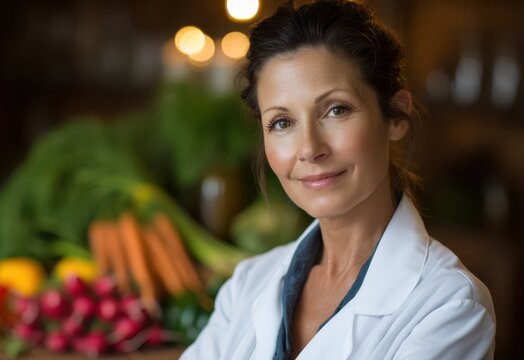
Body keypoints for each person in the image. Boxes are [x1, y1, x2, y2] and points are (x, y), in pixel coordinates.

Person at [180, 0, 496, 359]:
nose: (310, 149)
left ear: (396, 116)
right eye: (282, 122)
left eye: (336, 110)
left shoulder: (449, 306)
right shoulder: (248, 284)